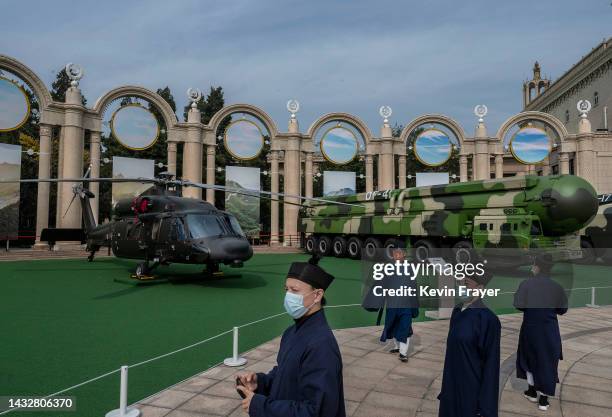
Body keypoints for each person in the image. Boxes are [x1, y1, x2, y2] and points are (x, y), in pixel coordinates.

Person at [236, 254, 345, 417]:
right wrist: (259, 383)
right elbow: (284, 375)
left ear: (317, 295)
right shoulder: (291, 332)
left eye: (295, 290)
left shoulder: (322, 345)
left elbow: (317, 410)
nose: (289, 296)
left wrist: (260, 406)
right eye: (286, 289)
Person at [438, 270, 501, 417]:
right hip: (451, 385)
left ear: (480, 288)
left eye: (466, 284)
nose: (461, 288)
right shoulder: (457, 311)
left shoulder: (489, 320)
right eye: (460, 283)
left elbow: (491, 367)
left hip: (471, 391)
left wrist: (486, 406)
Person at [514, 253, 568, 412]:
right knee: (547, 362)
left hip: (530, 329)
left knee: (529, 358)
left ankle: (531, 392)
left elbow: (518, 304)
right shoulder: (557, 287)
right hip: (549, 330)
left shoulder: (526, 284)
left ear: (537, 267)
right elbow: (562, 310)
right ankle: (543, 400)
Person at [379, 248, 419, 362]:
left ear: (404, 254)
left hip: (406, 305)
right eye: (395, 253)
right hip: (392, 304)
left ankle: (403, 353)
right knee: (393, 325)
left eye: (399, 253)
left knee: (405, 327)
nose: (397, 255)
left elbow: (413, 287)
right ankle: (397, 347)